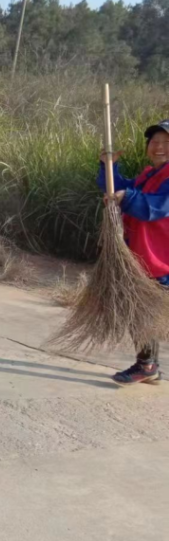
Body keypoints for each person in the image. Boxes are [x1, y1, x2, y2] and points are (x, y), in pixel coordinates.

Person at [99, 119, 169, 386]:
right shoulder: (150, 174)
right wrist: (109, 166)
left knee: (142, 312)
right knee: (143, 310)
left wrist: (126, 198)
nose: (159, 147)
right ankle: (150, 366)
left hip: (161, 258)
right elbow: (118, 187)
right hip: (145, 256)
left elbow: (155, 207)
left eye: (166, 142)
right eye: (154, 142)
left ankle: (146, 365)